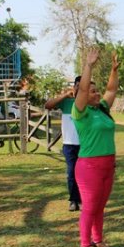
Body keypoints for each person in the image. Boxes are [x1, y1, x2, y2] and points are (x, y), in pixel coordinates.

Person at [73, 47, 119, 247]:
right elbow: (83, 91)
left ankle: (98, 239)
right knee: (90, 206)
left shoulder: (101, 109)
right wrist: (88, 66)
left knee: (100, 205)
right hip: (89, 167)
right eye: (93, 91)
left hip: (108, 165)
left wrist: (114, 70)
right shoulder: (80, 112)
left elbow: (112, 90)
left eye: (96, 90)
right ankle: (85, 244)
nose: (97, 93)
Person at [44, 76, 82, 212]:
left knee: (83, 173)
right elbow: (48, 105)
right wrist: (65, 95)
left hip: (86, 144)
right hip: (70, 144)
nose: (79, 89)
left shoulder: (88, 104)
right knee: (71, 173)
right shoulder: (66, 102)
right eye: (77, 86)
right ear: (74, 87)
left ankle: (82, 199)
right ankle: (73, 200)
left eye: (83, 87)